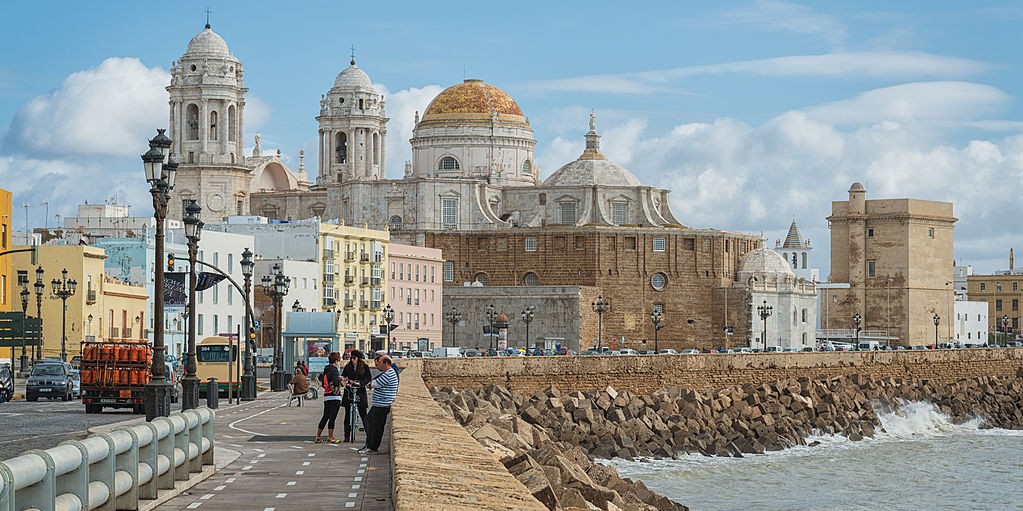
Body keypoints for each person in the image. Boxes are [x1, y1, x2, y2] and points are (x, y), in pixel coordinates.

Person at [358, 354, 399, 455]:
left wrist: (371, 384)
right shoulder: (387, 373)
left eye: (380, 363)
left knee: (376, 427)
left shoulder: (388, 374)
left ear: (386, 363)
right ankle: (369, 445)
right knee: (369, 422)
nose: (378, 365)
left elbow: (374, 384)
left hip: (382, 405)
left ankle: (373, 447)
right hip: (379, 404)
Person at [340, 350, 371, 441]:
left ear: (358, 359)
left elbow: (368, 378)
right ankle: (347, 435)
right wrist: (347, 382)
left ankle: (368, 434)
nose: (352, 360)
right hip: (349, 391)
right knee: (347, 413)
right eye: (351, 358)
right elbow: (343, 377)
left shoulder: (364, 367)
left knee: (363, 413)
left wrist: (360, 383)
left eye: (354, 358)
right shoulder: (348, 366)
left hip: (360, 390)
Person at [314, 351, 344, 444]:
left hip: (327, 396)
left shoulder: (326, 369)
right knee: (332, 417)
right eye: (338, 359)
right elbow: (335, 381)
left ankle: (318, 437)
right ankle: (331, 437)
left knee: (325, 416)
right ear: (336, 360)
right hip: (334, 396)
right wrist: (341, 379)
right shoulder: (334, 369)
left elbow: (323, 383)